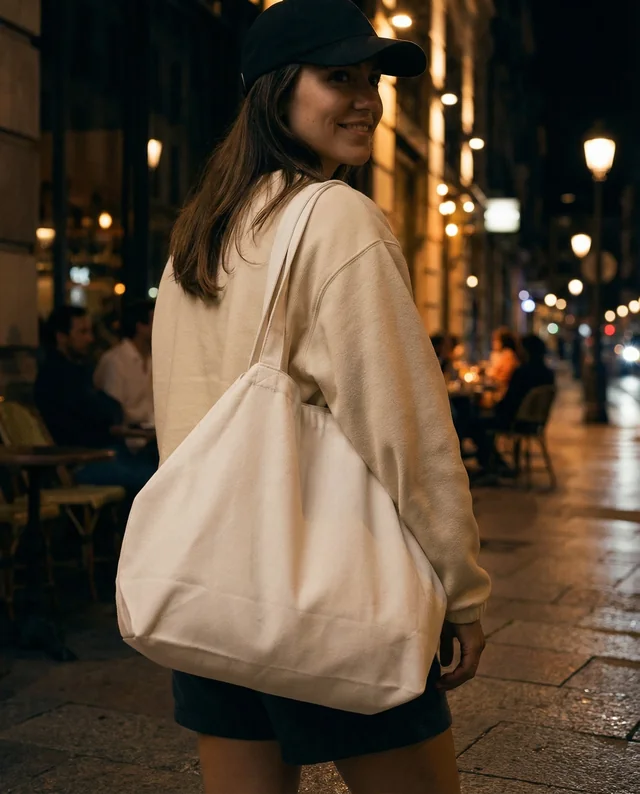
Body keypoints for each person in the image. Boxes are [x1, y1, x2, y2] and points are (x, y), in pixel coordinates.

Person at [153, 1, 490, 792]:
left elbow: (179, 418)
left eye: (371, 80)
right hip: (333, 589)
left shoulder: (200, 235)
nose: (367, 99)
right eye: (339, 77)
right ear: (276, 91)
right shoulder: (337, 220)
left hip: (215, 587)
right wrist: (464, 589)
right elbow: (407, 430)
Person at [34, 306, 155, 498]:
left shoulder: (76, 371)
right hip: (83, 463)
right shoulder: (57, 377)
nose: (90, 339)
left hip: (104, 454)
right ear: (61, 337)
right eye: (82, 332)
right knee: (154, 481)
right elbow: (102, 414)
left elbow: (108, 410)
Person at [468, 334, 555, 477]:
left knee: (474, 423)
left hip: (515, 421)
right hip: (534, 422)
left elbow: (509, 402)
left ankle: (490, 467)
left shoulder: (522, 372)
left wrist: (491, 407)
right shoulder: (548, 373)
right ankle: (496, 464)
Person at [94, 300, 155, 431]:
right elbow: (113, 411)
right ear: (140, 327)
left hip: (152, 435)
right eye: (155, 322)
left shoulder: (154, 359)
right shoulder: (115, 361)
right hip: (126, 439)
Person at [487, 326, 520, 398]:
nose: (493, 343)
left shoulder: (508, 355)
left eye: (495, 340)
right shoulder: (501, 355)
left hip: (503, 393)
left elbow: (504, 377)